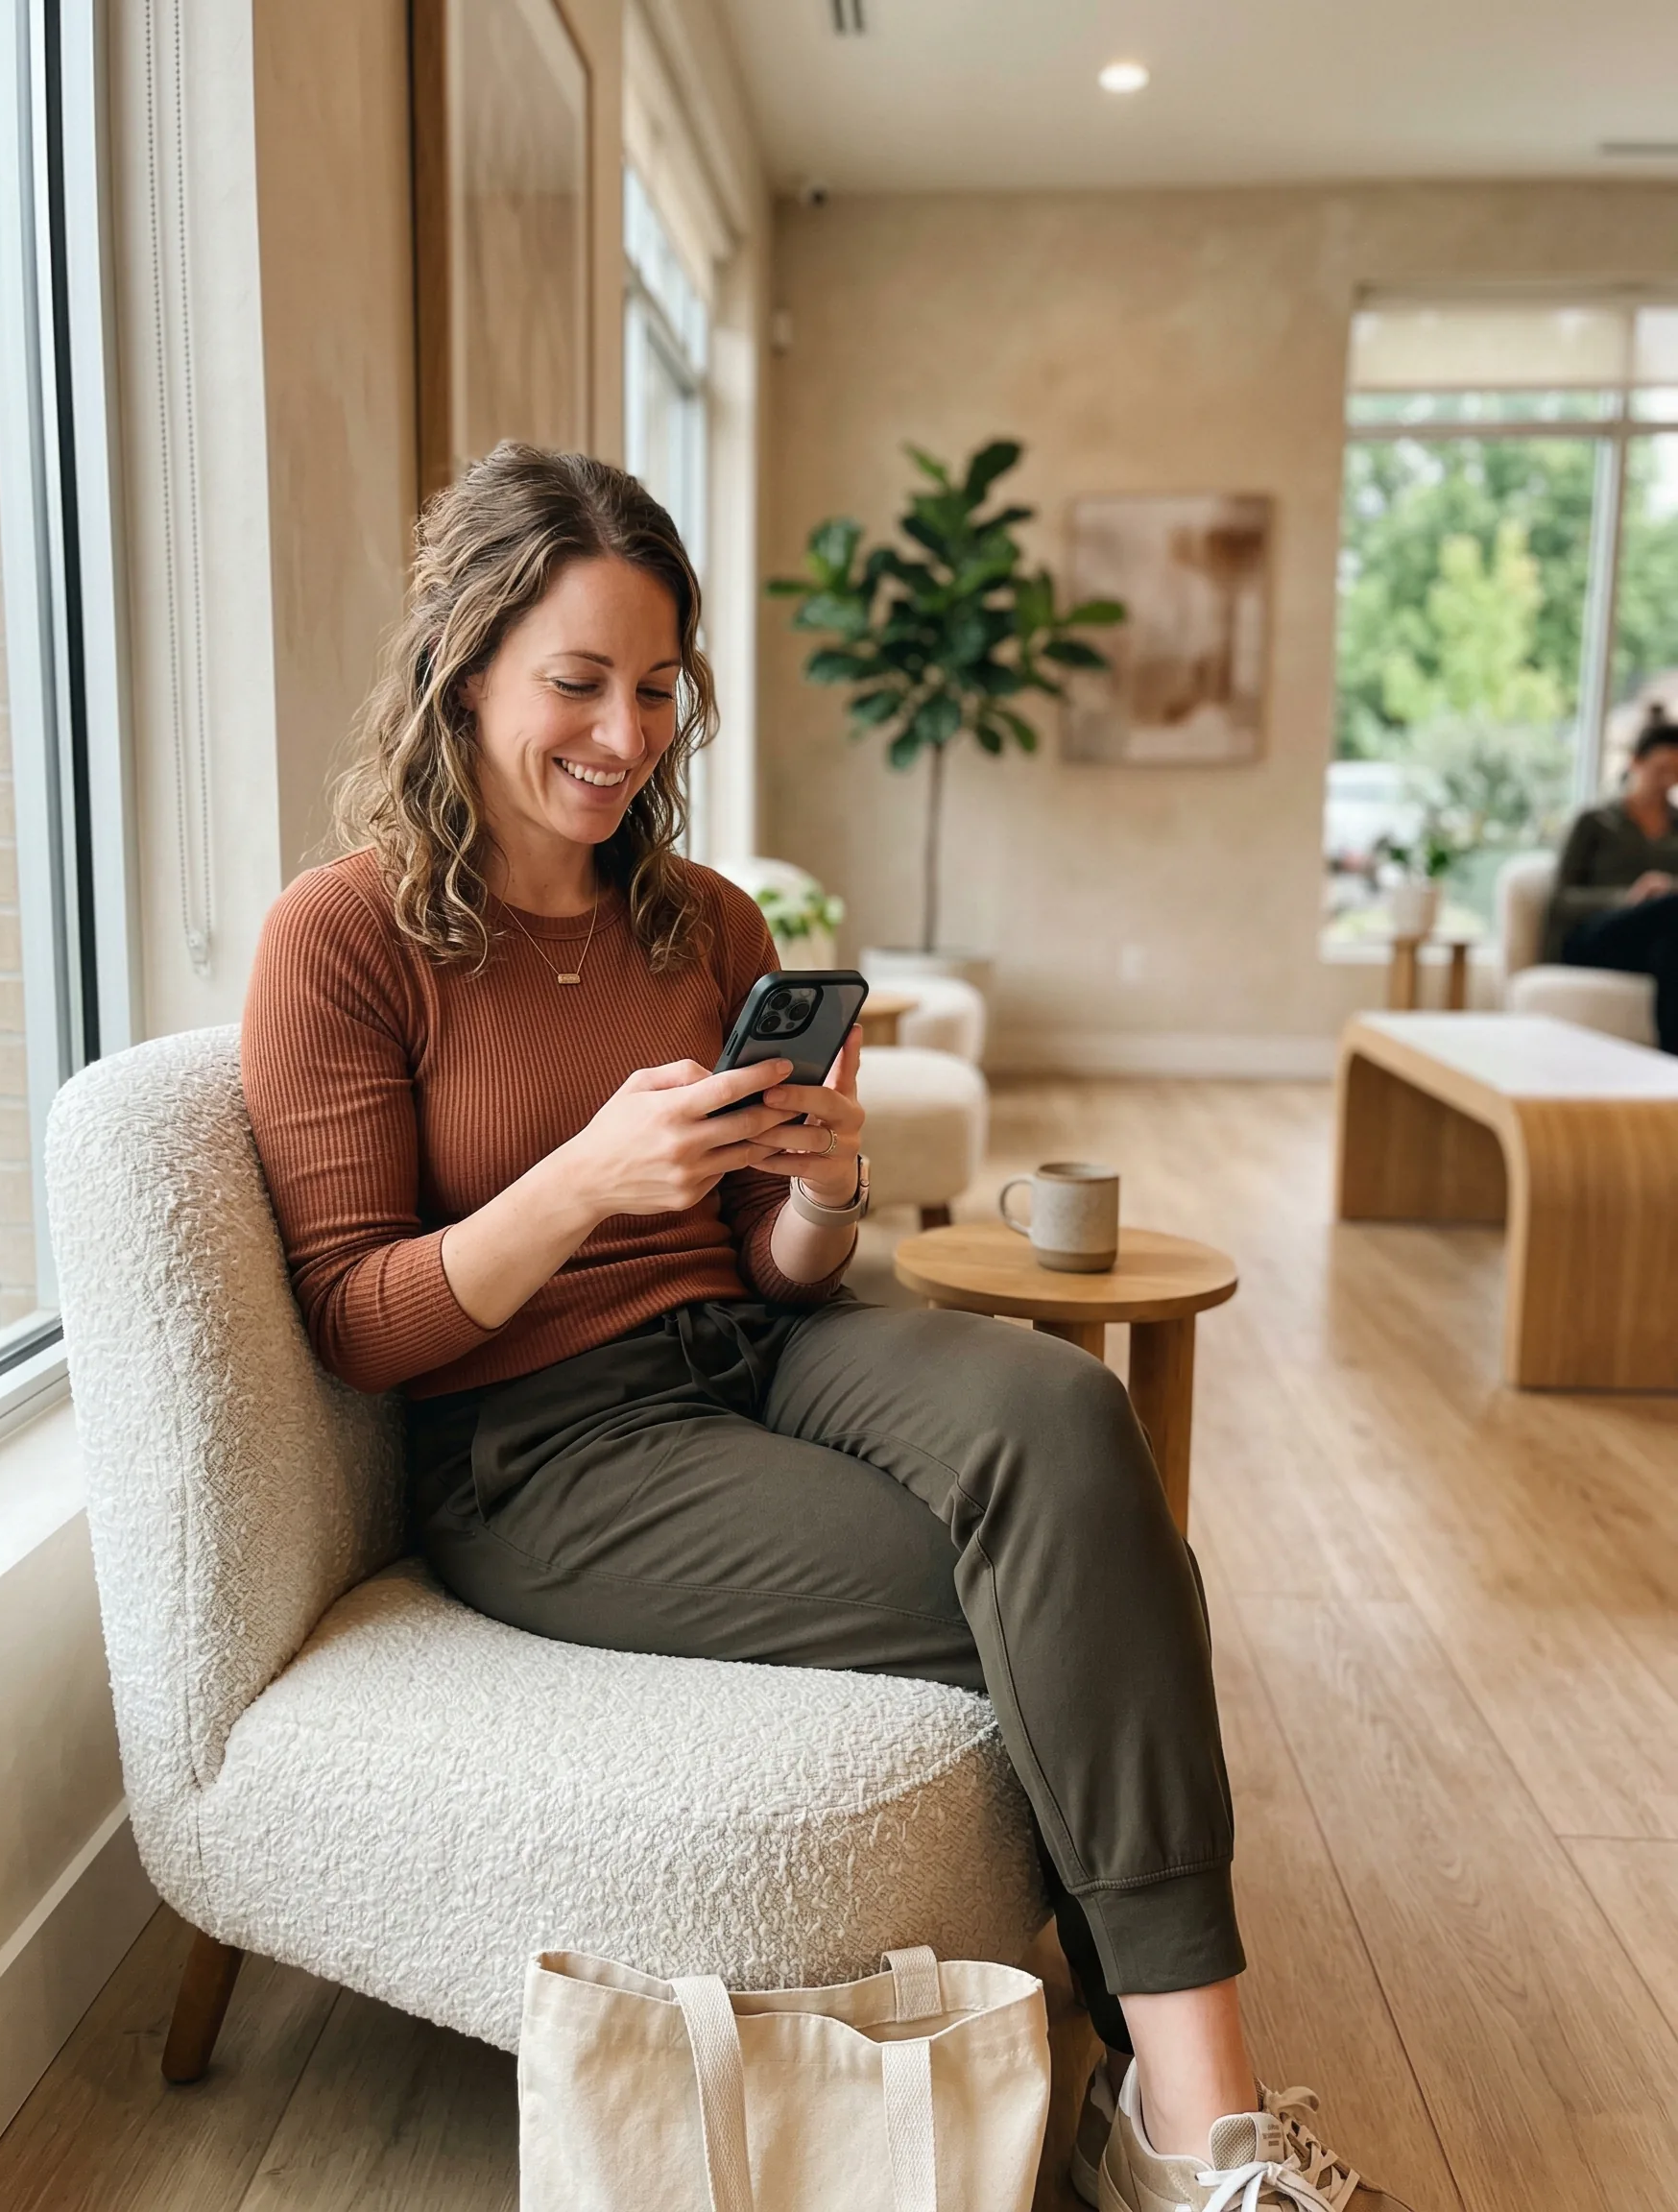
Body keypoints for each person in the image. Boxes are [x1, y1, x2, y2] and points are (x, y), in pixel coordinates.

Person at [240, 442, 1411, 2212]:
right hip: (546, 1443)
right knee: (1079, 1580)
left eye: (655, 688)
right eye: (575, 682)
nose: (624, 736)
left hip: (765, 1342)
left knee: (1069, 1424)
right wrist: (580, 1180)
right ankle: (1200, 2122)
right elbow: (355, 1323)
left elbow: (779, 1263)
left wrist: (823, 1189)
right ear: (464, 663)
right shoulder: (342, 939)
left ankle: (1175, 2123)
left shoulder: (703, 917)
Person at [1546, 704, 1678, 1050]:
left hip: (1654, 940)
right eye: (1660, 769)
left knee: (1671, 945)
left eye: (1676, 773)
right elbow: (1560, 899)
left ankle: (1669, 1072)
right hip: (1596, 936)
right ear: (1635, 762)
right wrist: (1627, 897)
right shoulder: (1596, 820)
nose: (1668, 782)